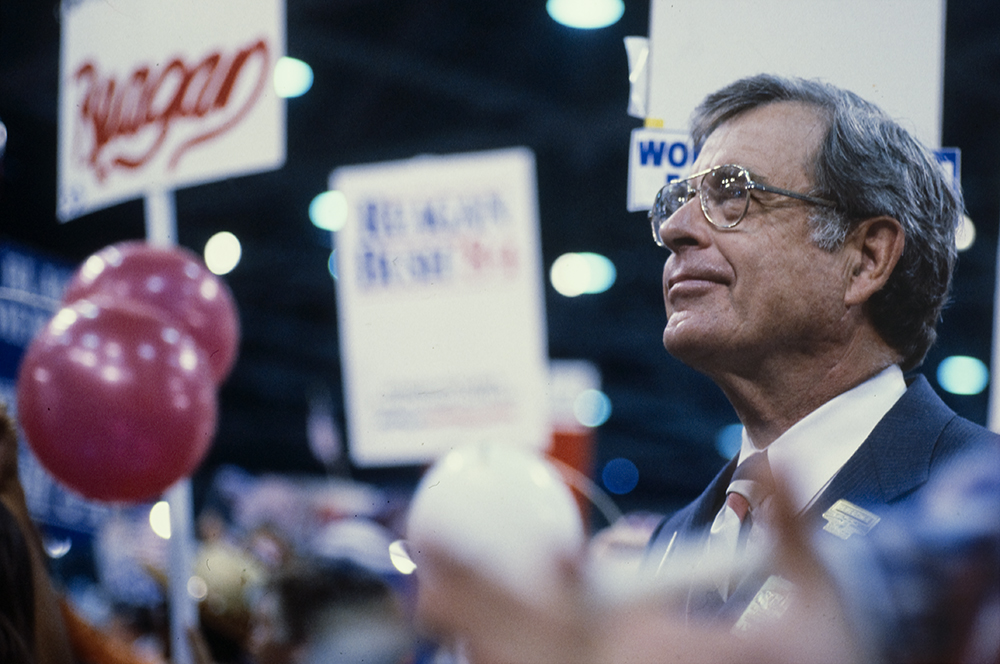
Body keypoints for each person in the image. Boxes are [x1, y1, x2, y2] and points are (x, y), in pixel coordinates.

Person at [644, 72, 999, 642]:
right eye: (678, 200)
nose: (674, 229)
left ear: (865, 258)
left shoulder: (984, 510)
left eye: (732, 193)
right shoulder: (672, 543)